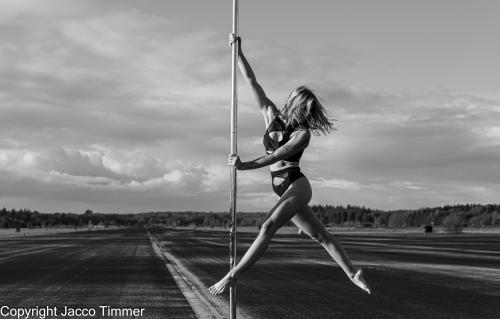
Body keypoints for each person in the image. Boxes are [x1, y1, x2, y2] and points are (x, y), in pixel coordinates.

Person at [209, 35, 371, 295]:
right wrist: (237, 51)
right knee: (320, 236)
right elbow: (251, 81)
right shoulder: (271, 114)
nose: (305, 114)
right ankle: (352, 273)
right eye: (302, 107)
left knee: (267, 226)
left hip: (297, 185)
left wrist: (244, 165)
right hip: (282, 188)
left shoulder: (302, 134)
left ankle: (232, 276)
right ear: (295, 103)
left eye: (308, 110)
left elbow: (275, 156)